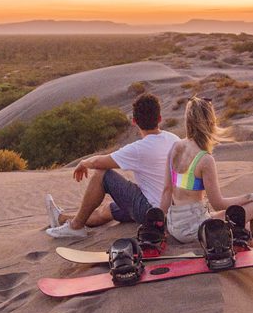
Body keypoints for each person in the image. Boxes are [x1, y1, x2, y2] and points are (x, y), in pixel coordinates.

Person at [159, 96, 253, 278]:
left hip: (175, 225)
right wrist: (250, 197)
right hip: (193, 228)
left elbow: (166, 190)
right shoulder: (204, 159)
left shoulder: (175, 147)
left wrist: (159, 225)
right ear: (210, 122)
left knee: (247, 230)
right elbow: (218, 203)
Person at [45, 93, 179, 239]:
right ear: (159, 118)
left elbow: (99, 163)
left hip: (153, 213)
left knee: (102, 175)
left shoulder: (139, 149)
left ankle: (75, 227)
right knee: (106, 211)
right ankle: (60, 218)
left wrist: (84, 162)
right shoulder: (174, 139)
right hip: (175, 211)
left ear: (134, 121)